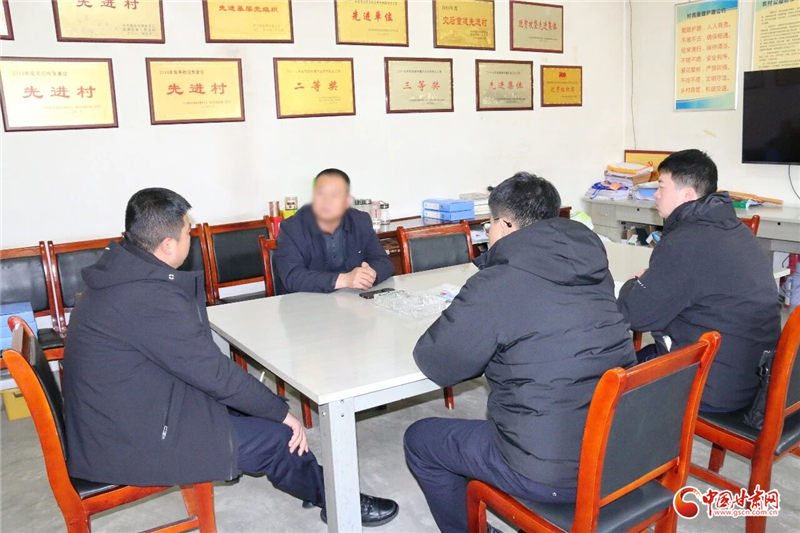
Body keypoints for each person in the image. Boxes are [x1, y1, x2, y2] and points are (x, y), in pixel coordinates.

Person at [62, 188, 399, 527]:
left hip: (134, 408)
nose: (191, 238)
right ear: (167, 246)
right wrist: (282, 415)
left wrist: (271, 408)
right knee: (279, 436)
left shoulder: (125, 272)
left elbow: (203, 367)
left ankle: (312, 482)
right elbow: (214, 374)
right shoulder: (146, 297)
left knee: (258, 405)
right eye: (188, 233)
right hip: (130, 439)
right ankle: (338, 501)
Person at [404, 173, 637, 533]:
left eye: (490, 223)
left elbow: (438, 361)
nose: (488, 232)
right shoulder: (593, 265)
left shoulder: (497, 284)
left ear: (506, 224)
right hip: (619, 451)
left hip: (549, 471)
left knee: (421, 440)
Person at [616, 149, 781, 412]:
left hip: (712, 387)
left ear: (687, 195)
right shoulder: (734, 229)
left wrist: (633, 284)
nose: (655, 195)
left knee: (608, 379)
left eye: (661, 186)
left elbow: (634, 315)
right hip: (754, 378)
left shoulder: (685, 242)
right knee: (641, 355)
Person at [273, 168, 394, 294]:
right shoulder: (292, 228)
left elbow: (383, 262)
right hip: (308, 301)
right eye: (320, 194)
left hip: (352, 299)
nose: (326, 201)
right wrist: (344, 280)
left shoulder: (360, 221)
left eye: (334, 195)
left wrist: (369, 274)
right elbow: (293, 277)